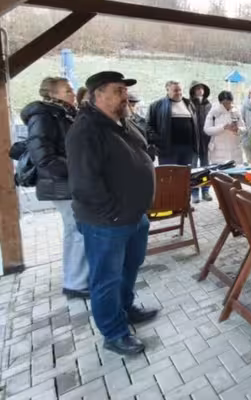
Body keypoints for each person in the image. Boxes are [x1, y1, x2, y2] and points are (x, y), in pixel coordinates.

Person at [66, 71, 158, 355]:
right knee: (106, 278)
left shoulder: (122, 123)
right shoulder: (85, 130)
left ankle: (125, 309)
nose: (125, 96)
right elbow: (85, 183)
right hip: (107, 223)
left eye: (125, 91)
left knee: (129, 268)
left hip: (134, 216)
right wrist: (113, 215)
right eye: (118, 91)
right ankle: (114, 332)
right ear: (98, 95)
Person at [21, 77, 88, 299]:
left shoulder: (63, 114)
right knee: (77, 231)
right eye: (67, 90)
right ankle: (77, 283)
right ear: (52, 94)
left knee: (75, 230)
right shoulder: (43, 117)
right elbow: (44, 158)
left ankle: (76, 278)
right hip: (61, 184)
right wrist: (81, 167)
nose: (73, 93)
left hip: (69, 181)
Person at [147, 81, 203, 202]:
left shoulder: (189, 104)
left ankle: (184, 204)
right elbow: (148, 126)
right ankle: (169, 203)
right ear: (167, 90)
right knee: (168, 178)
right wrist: (158, 140)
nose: (179, 93)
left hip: (188, 149)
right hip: (168, 150)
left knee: (185, 178)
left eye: (180, 90)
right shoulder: (157, 105)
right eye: (175, 90)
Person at [204, 91, 246, 164]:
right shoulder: (213, 112)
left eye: (229, 103)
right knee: (220, 170)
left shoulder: (236, 111)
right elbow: (207, 130)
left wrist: (238, 129)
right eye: (225, 103)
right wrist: (223, 127)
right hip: (218, 152)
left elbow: (244, 128)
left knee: (236, 170)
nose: (227, 105)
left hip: (235, 151)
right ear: (220, 102)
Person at [189, 81, 212, 202]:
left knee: (206, 168)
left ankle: (206, 191)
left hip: (205, 141)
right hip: (192, 142)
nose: (200, 90)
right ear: (193, 90)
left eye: (202, 88)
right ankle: (194, 193)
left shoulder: (209, 105)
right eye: (197, 88)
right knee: (193, 169)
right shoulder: (188, 104)